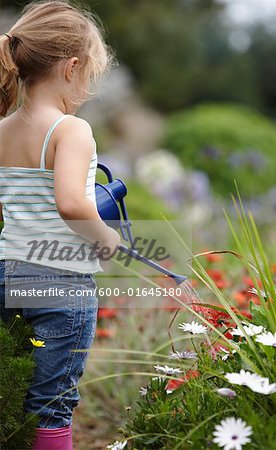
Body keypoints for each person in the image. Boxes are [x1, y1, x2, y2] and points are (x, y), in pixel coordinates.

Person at [0, 1, 121, 449]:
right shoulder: (71, 130)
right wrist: (106, 239)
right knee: (50, 405)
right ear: (72, 67)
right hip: (60, 284)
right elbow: (72, 204)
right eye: (89, 72)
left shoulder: (2, 129)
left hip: (7, 274)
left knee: (11, 395)